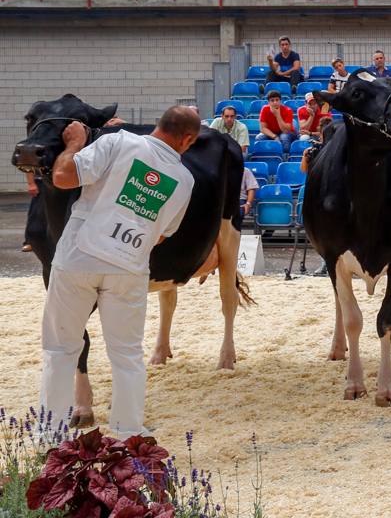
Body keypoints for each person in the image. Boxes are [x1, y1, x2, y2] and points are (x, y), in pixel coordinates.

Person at [40, 107, 199, 439]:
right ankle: (129, 434)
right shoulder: (184, 181)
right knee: (127, 354)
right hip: (129, 265)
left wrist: (74, 144)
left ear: (159, 126)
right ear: (188, 139)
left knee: (61, 349)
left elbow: (63, 177)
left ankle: (51, 437)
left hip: (77, 258)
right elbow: (162, 234)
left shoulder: (119, 142)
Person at [237, 162, 258, 231]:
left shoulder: (245, 171)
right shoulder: (219, 170)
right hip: (223, 200)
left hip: (240, 199)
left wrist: (248, 204)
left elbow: (251, 188)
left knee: (238, 215)